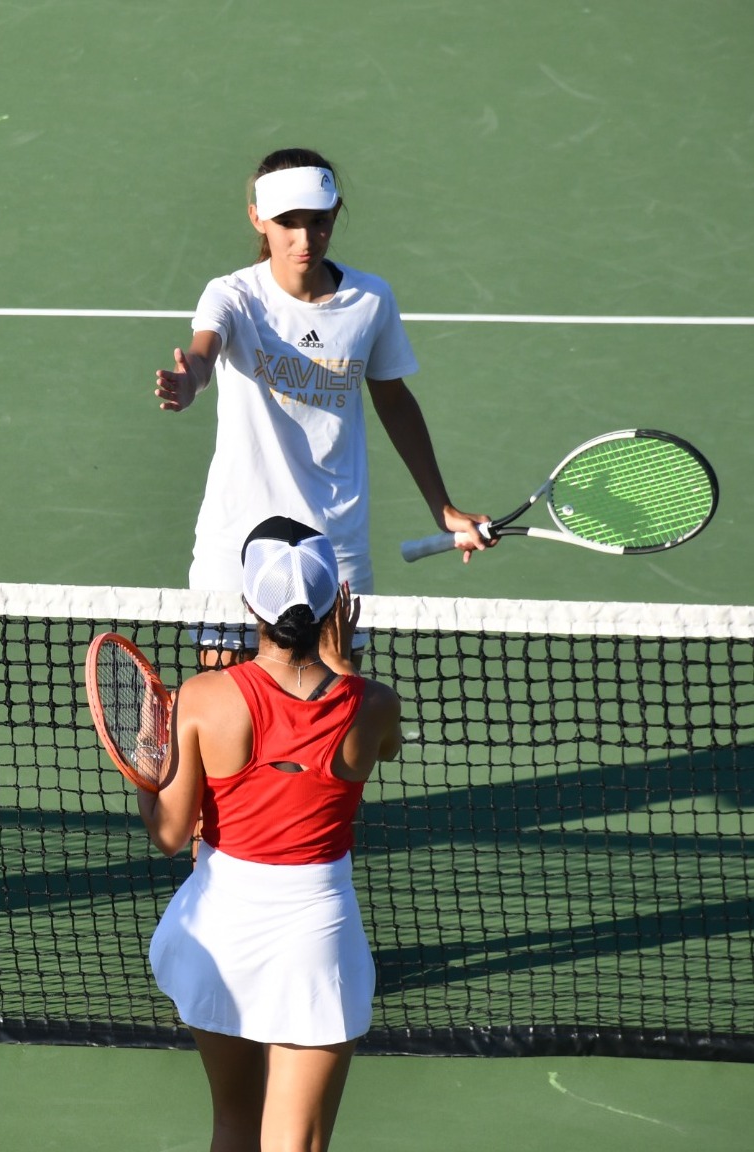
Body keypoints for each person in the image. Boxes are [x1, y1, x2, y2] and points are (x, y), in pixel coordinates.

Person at [154, 147, 489, 663]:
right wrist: (189, 380)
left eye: (318, 221)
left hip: (333, 545)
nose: (304, 239)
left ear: (336, 214)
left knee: (333, 724)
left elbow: (395, 402)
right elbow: (204, 351)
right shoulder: (233, 296)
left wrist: (441, 506)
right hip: (236, 543)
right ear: (257, 219)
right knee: (225, 713)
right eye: (287, 222)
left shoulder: (371, 301)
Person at [138, 517, 403, 1152]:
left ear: (250, 602)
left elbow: (172, 835)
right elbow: (383, 746)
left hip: (220, 928)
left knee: (234, 1124)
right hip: (316, 939)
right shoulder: (375, 704)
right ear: (333, 605)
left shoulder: (203, 699)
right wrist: (344, 668)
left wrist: (149, 763)